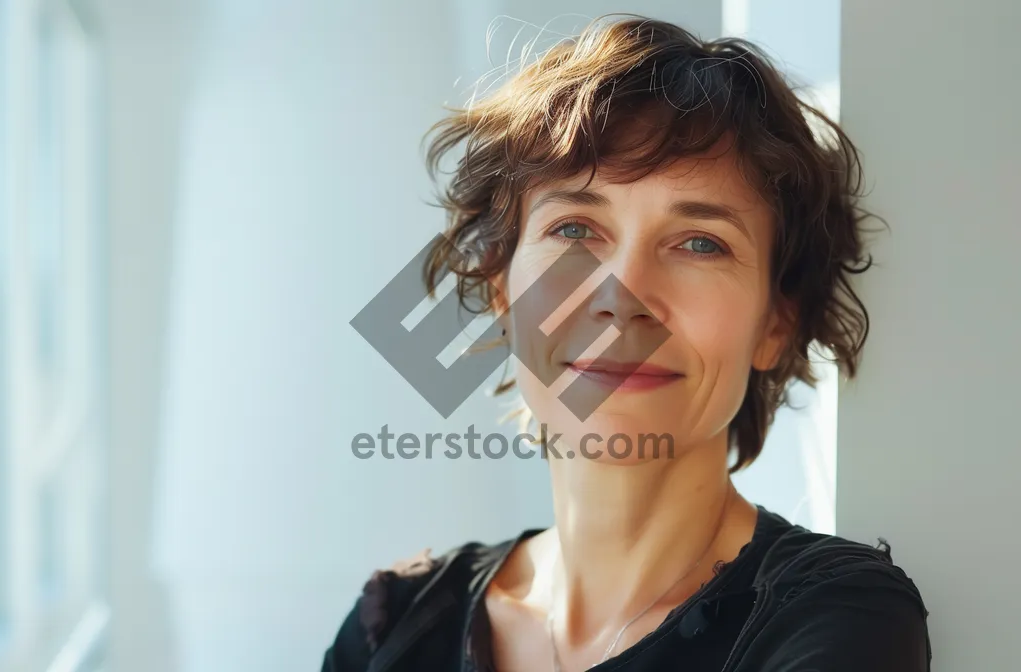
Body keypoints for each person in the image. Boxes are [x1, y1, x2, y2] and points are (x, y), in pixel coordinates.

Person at [324, 14, 930, 672]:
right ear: (503, 290)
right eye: (577, 231)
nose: (624, 296)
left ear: (774, 326)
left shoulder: (834, 617)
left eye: (700, 243)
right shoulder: (395, 626)